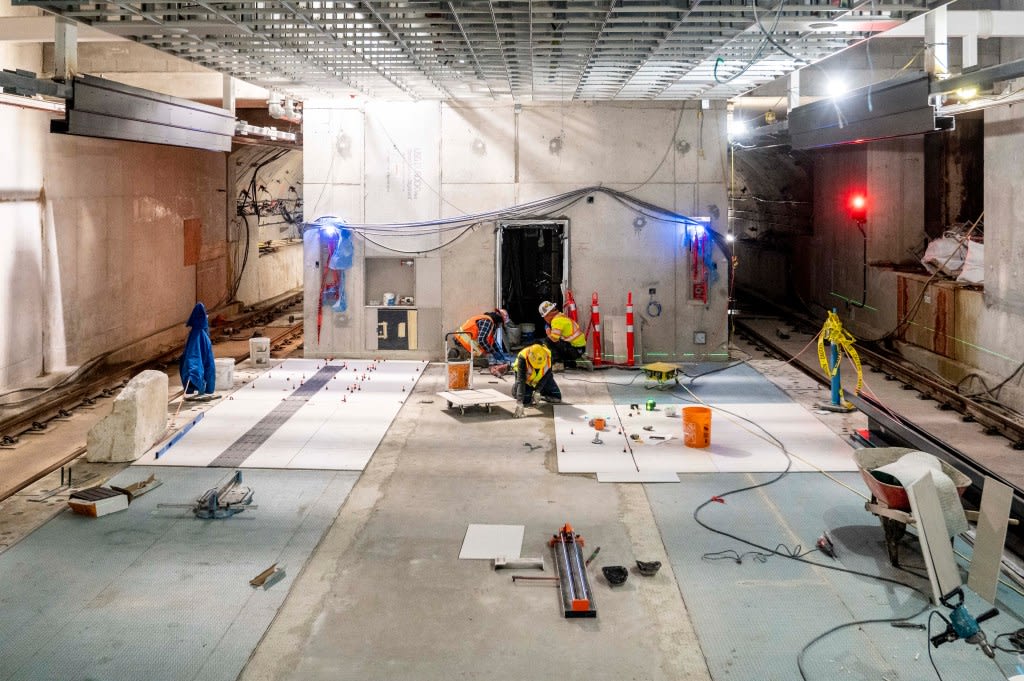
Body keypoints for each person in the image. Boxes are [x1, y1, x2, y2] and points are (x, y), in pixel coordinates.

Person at [454, 308, 513, 376]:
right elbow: (482, 340)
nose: (500, 326)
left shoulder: (488, 321)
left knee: (484, 357)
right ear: (499, 320)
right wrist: (493, 352)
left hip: (462, 342)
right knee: (485, 363)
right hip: (463, 344)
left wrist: (500, 353)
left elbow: (492, 342)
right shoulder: (487, 322)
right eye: (501, 323)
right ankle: (458, 354)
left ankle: (457, 353)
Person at [512, 343, 562, 418]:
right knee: (525, 401)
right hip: (526, 381)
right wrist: (519, 402)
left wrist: (538, 390)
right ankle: (515, 390)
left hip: (541, 378)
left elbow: (547, 375)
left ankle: (536, 392)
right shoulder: (523, 357)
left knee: (556, 396)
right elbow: (521, 381)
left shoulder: (548, 355)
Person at [180, 302, 216, 400]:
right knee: (206, 368)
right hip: (202, 359)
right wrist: (193, 372)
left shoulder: (195, 334)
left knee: (206, 368)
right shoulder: (199, 335)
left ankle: (202, 389)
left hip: (203, 356)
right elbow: (194, 355)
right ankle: (203, 388)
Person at [538, 300, 587, 369]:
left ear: (547, 315)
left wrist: (548, 332)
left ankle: (557, 363)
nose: (545, 319)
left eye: (544, 317)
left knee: (548, 341)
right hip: (579, 349)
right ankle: (573, 362)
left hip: (574, 350)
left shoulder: (556, 321)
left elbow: (554, 339)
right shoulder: (560, 316)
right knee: (558, 343)